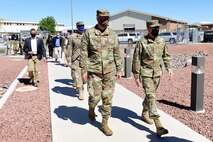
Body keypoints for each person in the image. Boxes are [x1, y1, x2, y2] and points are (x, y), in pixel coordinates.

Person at [80, 9, 123, 136]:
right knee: (94, 97)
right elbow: (84, 53)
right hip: (94, 71)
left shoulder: (113, 34)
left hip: (110, 71)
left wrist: (119, 69)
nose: (105, 20)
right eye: (102, 18)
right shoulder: (89, 33)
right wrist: (84, 70)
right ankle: (91, 108)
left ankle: (104, 123)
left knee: (108, 98)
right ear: (97, 18)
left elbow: (116, 53)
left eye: (107, 18)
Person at [132, 20, 173, 136]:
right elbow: (136, 59)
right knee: (151, 96)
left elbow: (166, 55)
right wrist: (136, 75)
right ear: (148, 29)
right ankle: (158, 124)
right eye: (153, 28)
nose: (156, 29)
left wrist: (169, 68)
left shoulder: (161, 40)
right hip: (146, 73)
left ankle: (144, 112)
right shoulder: (142, 42)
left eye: (157, 27)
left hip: (157, 73)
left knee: (150, 96)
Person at [66, 21, 85, 100]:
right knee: (77, 76)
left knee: (85, 77)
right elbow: (69, 49)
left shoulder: (88, 36)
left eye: (82, 26)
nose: (81, 27)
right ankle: (81, 91)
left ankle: (81, 86)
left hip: (86, 59)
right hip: (76, 59)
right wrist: (69, 60)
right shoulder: (72, 37)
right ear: (77, 27)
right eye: (79, 26)